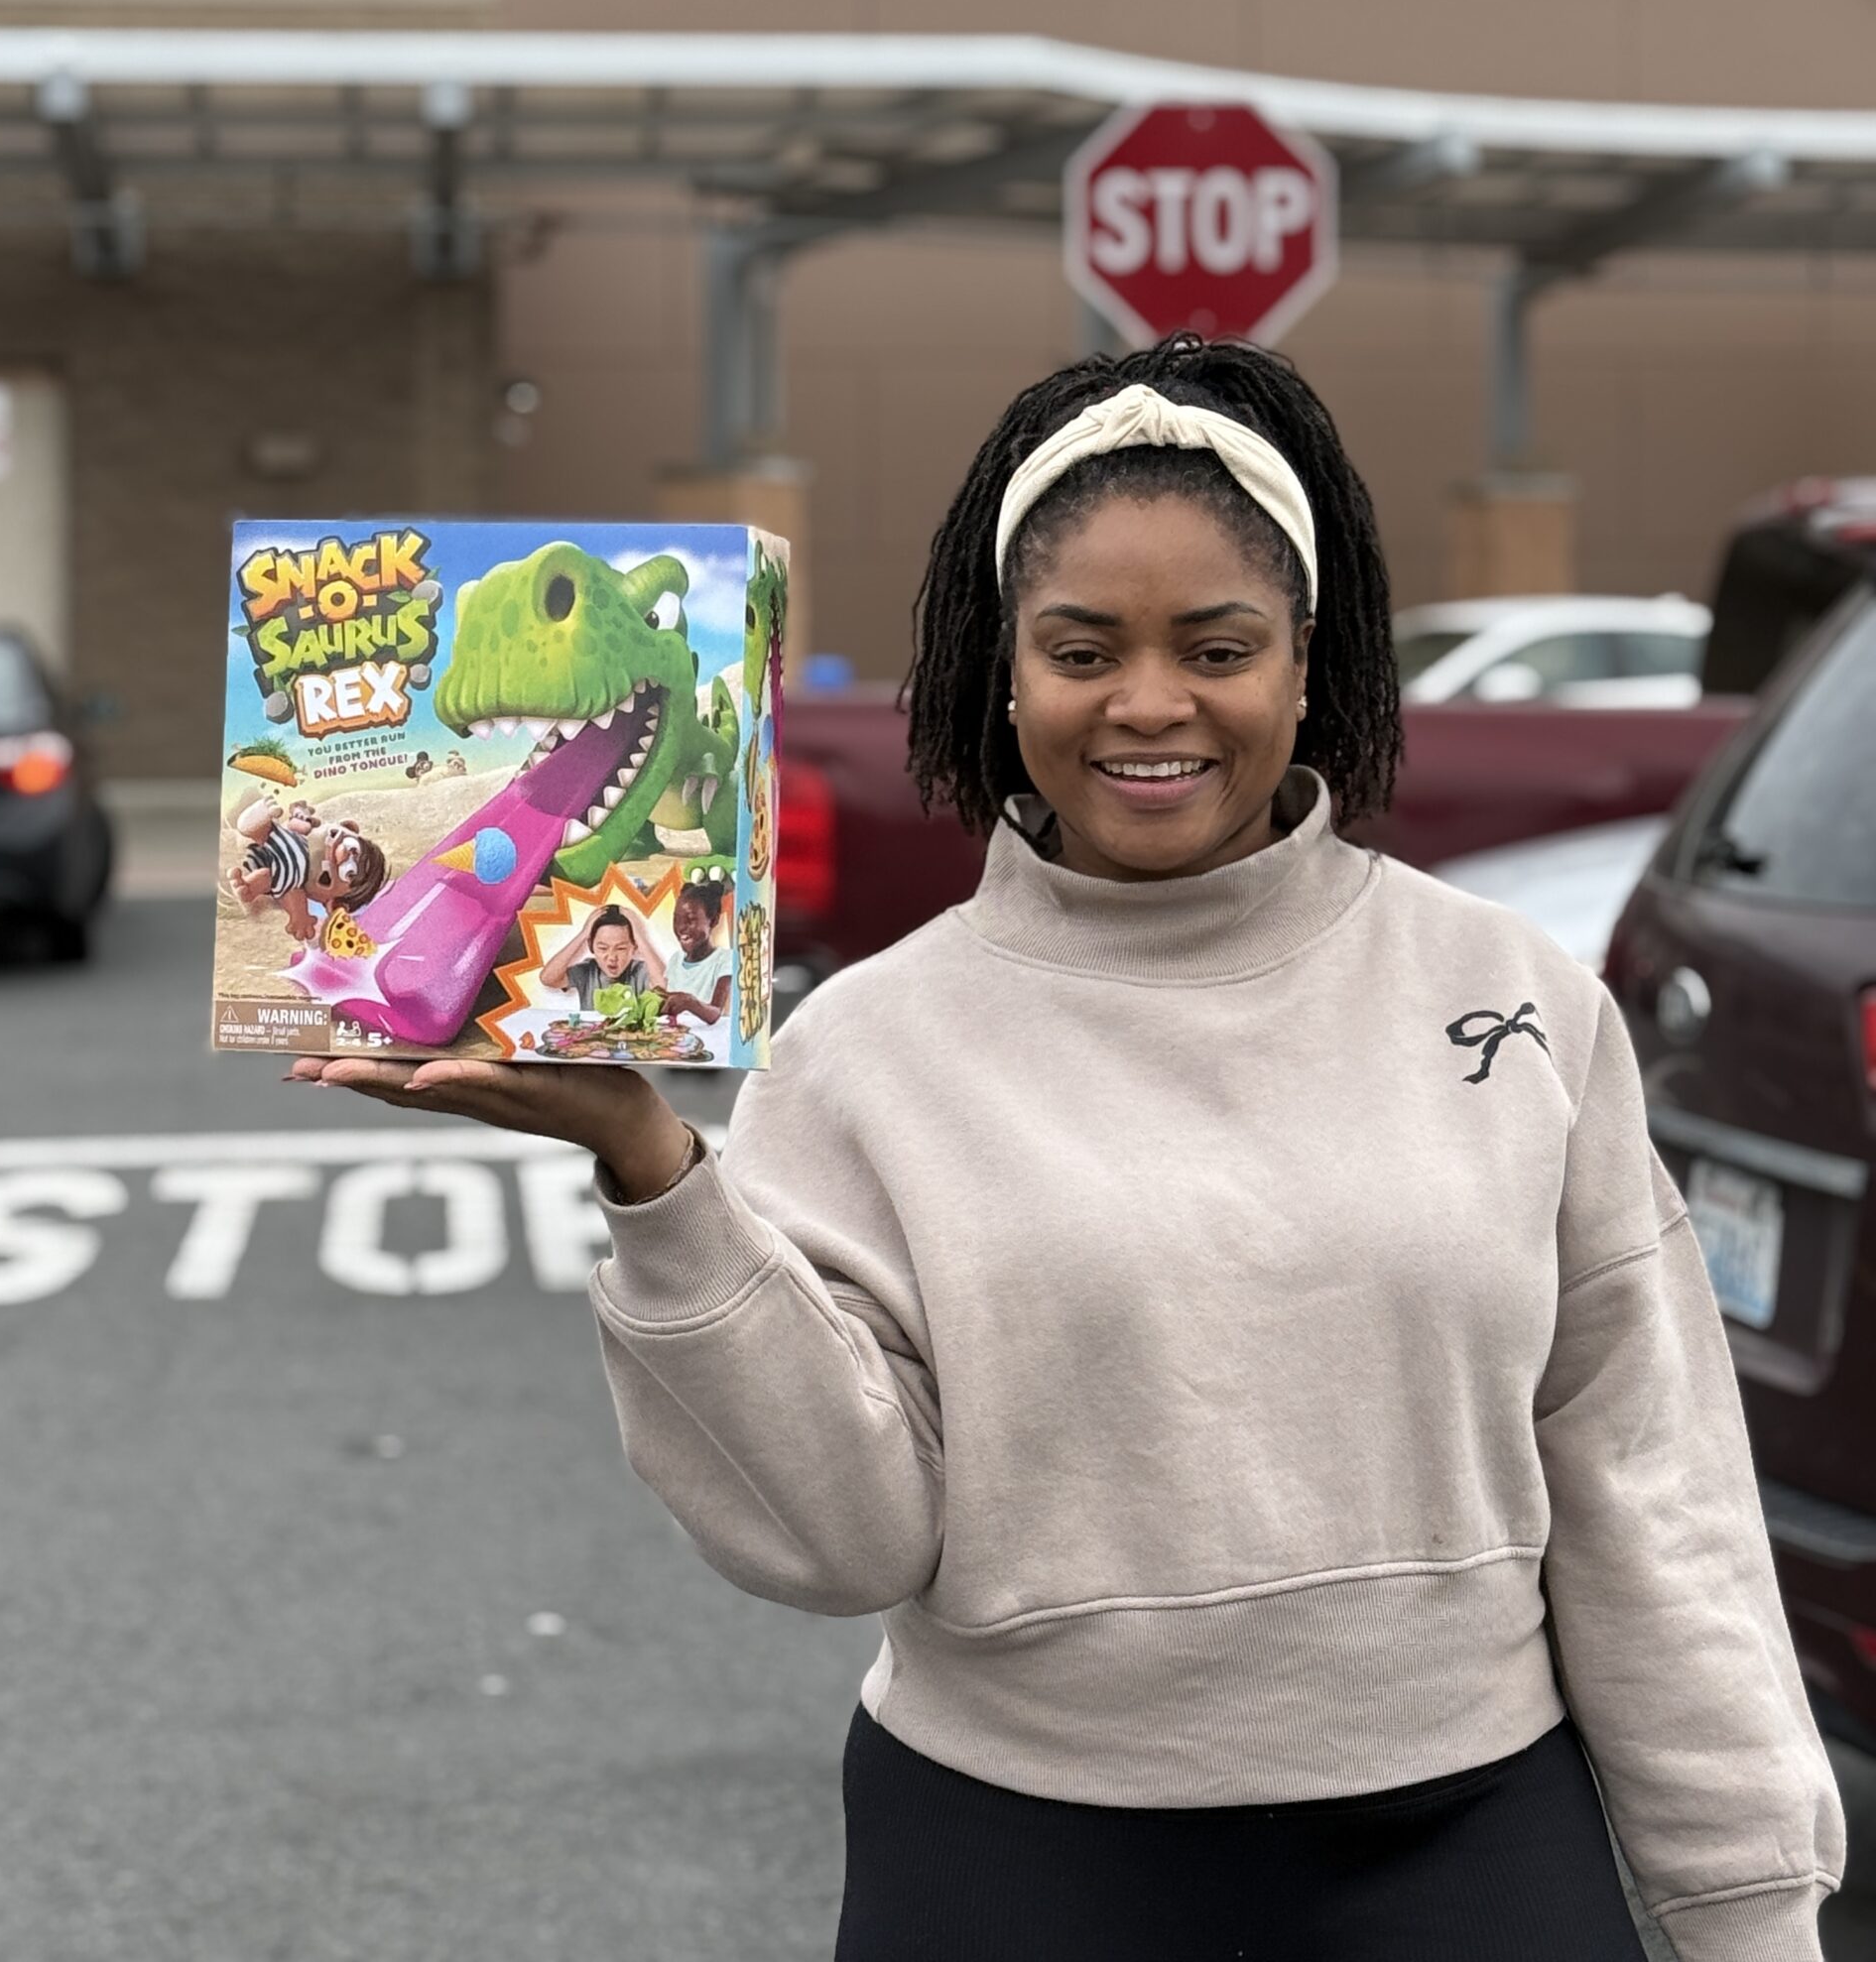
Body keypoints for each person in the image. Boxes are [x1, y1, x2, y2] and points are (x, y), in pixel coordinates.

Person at [290, 334, 1844, 1962]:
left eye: (1217, 645)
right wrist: (653, 1171)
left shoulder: (1509, 997)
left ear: (1306, 664)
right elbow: (839, 1541)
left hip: (1465, 1843)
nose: (1149, 703)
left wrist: (1745, 1908)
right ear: (1006, 673)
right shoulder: (869, 1049)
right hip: (1015, 1859)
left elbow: (1651, 1490)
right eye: (1081, 648)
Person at [656, 872, 733, 1030]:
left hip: (709, 1042)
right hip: (675, 1039)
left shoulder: (724, 959)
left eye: (690, 920)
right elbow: (671, 1006)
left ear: (713, 920)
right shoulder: (676, 960)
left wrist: (690, 1002)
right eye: (676, 920)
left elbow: (715, 1013)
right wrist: (659, 997)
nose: (681, 927)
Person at [543, 906, 654, 1013]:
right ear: (591, 946)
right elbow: (548, 979)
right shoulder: (587, 972)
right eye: (603, 948)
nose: (612, 957)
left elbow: (666, 987)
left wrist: (640, 936)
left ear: (634, 946)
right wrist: (583, 934)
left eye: (621, 948)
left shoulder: (641, 970)